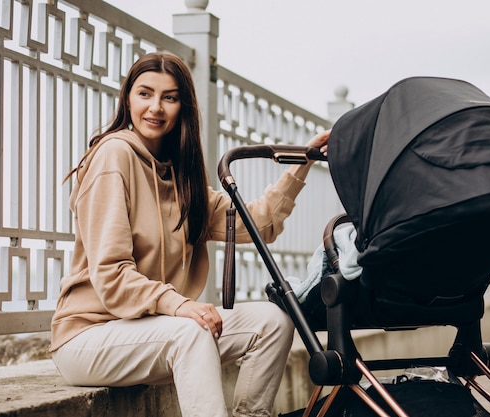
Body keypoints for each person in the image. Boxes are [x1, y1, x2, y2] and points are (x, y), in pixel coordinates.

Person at [49, 51, 329, 417]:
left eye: (170, 97)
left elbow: (258, 224)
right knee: (190, 330)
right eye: (145, 94)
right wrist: (179, 305)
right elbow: (112, 275)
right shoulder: (112, 156)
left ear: (183, 106)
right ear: (127, 99)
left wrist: (302, 162)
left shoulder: (181, 177)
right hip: (88, 337)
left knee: (273, 322)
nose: (155, 108)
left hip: (151, 331)